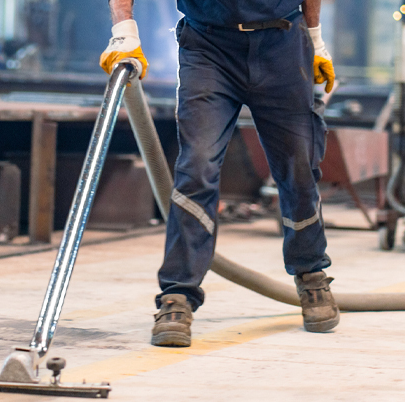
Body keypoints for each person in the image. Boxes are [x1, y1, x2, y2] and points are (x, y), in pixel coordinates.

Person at [100, 0, 339, 347]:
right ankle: (177, 296)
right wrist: (124, 30)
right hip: (208, 48)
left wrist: (315, 38)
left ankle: (311, 272)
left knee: (298, 166)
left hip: (282, 45)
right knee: (197, 166)